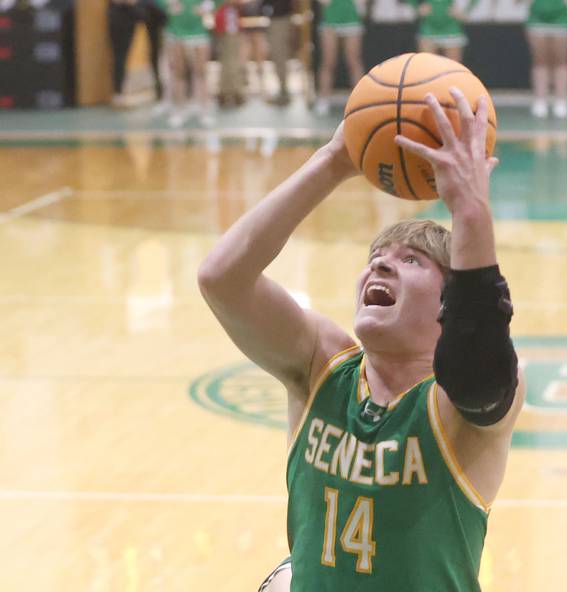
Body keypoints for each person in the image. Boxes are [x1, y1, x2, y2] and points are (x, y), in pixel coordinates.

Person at [198, 89, 524, 590]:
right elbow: (222, 278)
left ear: (448, 305)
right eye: (377, 256)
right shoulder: (321, 365)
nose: (381, 263)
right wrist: (333, 161)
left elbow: (482, 369)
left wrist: (470, 214)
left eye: (411, 260)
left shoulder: (452, 407)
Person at [156, 0, 219, 127]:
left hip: (198, 31)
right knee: (178, 73)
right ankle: (179, 110)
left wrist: (207, 7)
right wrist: (167, 4)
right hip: (176, 32)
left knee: (201, 73)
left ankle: (204, 111)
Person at [524, 0, 567, 118]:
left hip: (561, 18)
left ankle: (561, 101)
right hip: (537, 17)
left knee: (561, 62)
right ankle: (540, 101)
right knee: (540, 62)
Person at [313, 0, 364, 115]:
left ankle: (360, 102)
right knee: (328, 61)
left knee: (354, 61)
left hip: (352, 19)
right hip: (329, 20)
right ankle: (323, 99)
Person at [263, 0, 295, 105]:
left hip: (280, 18)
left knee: (279, 55)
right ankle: (283, 90)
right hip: (277, 18)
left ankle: (284, 92)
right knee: (278, 56)